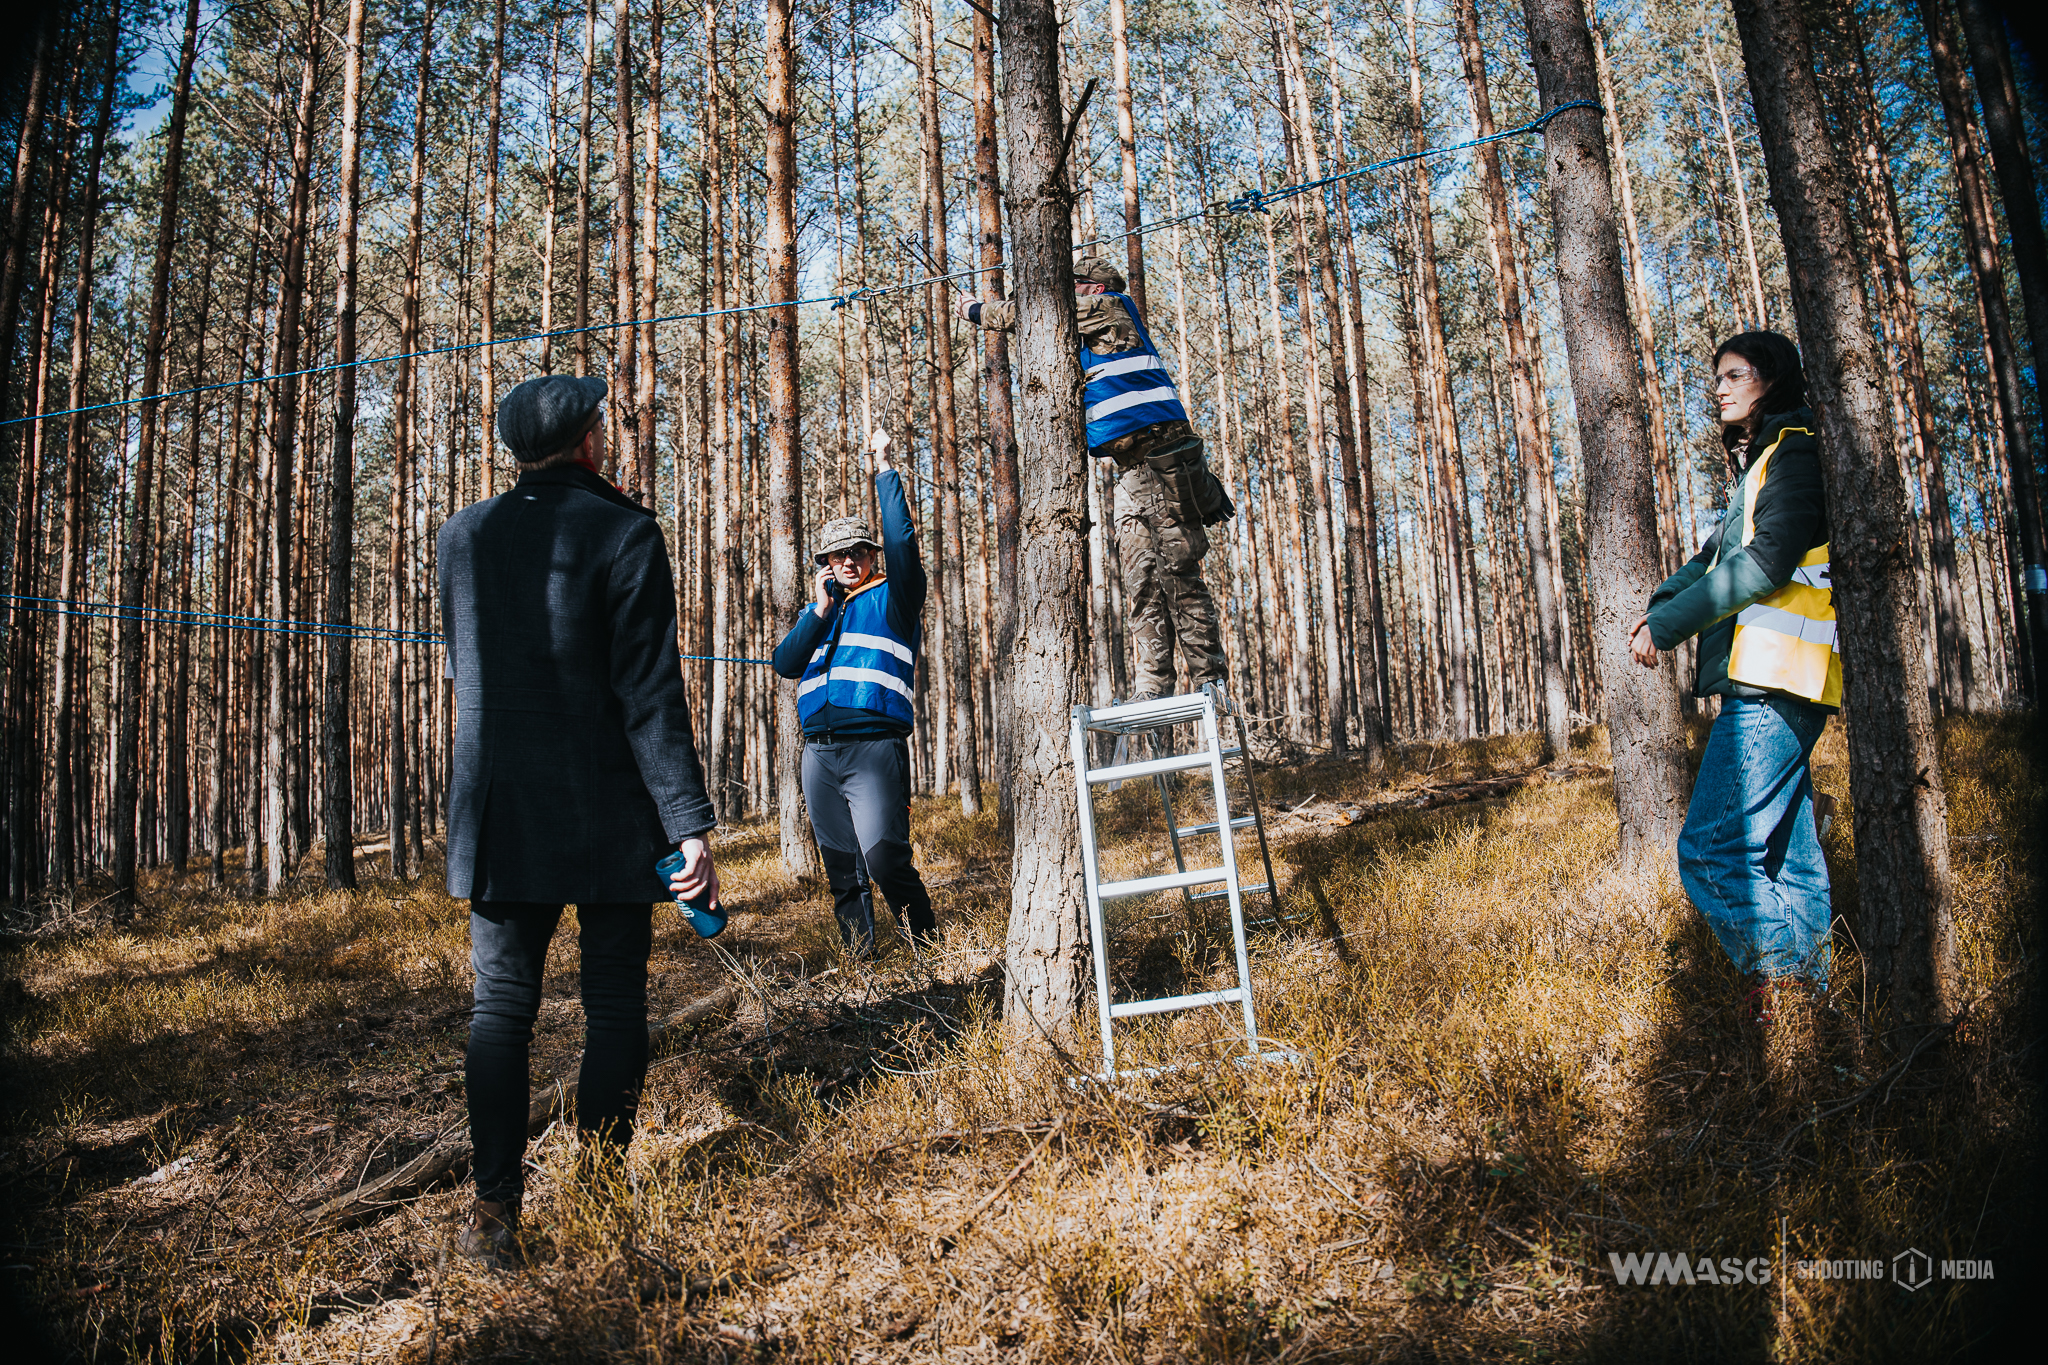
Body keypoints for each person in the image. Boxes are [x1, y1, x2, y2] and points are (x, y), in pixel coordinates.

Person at [437, 374, 720, 1269]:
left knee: (503, 1009)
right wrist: (689, 826)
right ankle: (598, 1195)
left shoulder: (460, 536)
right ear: (589, 441)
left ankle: (493, 1215)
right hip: (605, 806)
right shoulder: (628, 532)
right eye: (601, 425)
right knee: (613, 1006)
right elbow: (649, 696)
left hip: (498, 808)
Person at [1630, 331, 1836, 1007]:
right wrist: (1660, 603)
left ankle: (1780, 986)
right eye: (1717, 377)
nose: (1719, 388)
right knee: (1786, 860)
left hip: (1774, 682)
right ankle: (1817, 1009)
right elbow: (1713, 559)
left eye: (1734, 374)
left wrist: (1666, 625)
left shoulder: (1796, 450)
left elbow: (1765, 563)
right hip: (1783, 682)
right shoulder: (1759, 467)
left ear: (1771, 379)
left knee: (1711, 852)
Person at [958, 257, 1232, 702]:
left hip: (1162, 466)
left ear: (1095, 288)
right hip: (1130, 476)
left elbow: (1034, 313)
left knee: (1180, 576)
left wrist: (975, 309)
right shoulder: (1090, 332)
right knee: (1141, 583)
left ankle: (1209, 680)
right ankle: (1152, 690)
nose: (1069, 291)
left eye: (1076, 285)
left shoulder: (1111, 308)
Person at [770, 429, 938, 955]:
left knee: (886, 857)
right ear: (824, 564)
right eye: (835, 555)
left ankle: (929, 948)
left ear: (870, 554)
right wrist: (819, 610)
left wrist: (884, 467)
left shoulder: (894, 596)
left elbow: (904, 545)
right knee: (841, 865)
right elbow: (784, 663)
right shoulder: (817, 612)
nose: (846, 561)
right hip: (817, 754)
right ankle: (861, 960)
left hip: (873, 746)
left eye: (857, 552)